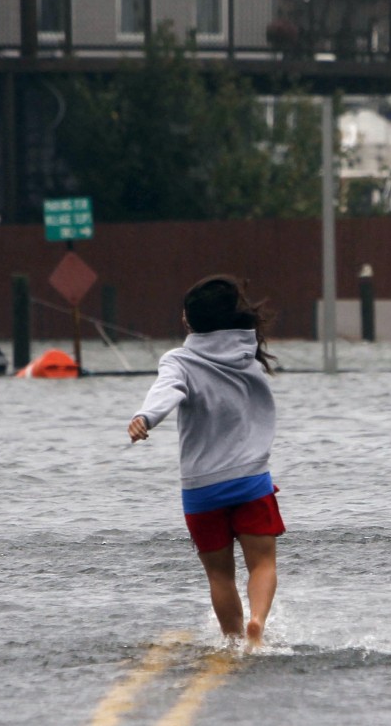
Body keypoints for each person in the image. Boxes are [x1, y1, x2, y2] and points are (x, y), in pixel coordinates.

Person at [127, 275, 284, 648]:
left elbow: (166, 390)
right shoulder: (248, 356)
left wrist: (146, 417)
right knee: (262, 564)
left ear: (189, 320)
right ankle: (257, 623)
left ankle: (232, 641)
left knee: (220, 576)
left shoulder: (180, 359)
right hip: (250, 480)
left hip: (202, 489)